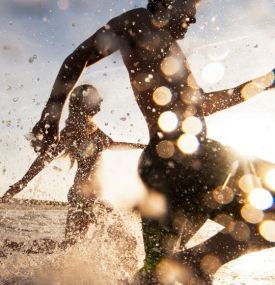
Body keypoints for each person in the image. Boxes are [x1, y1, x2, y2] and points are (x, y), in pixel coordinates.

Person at [30, 0, 275, 283]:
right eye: (191, 6)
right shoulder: (139, 21)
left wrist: (261, 83)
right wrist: (51, 114)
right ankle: (197, 262)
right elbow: (79, 56)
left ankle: (188, 264)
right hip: (186, 160)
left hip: (165, 169)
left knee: (156, 275)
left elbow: (201, 104)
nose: (194, 19)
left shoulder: (173, 52)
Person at [1, 84, 114, 245]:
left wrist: (149, 147)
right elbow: (46, 157)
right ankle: (16, 248)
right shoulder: (72, 130)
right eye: (97, 97)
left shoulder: (93, 129)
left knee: (75, 245)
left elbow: (112, 144)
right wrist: (22, 182)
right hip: (82, 195)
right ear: (85, 102)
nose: (101, 100)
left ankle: (17, 248)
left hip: (92, 195)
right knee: (72, 246)